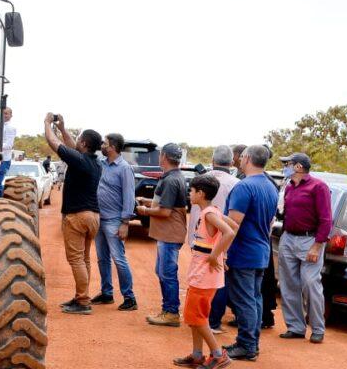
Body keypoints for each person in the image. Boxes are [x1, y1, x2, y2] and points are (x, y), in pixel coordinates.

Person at [173, 174, 235, 369]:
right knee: (195, 316)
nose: (189, 193)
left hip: (204, 275)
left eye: (191, 190)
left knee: (197, 317)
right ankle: (197, 354)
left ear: (200, 193)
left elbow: (230, 232)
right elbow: (233, 227)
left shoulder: (208, 213)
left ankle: (218, 354)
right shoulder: (212, 211)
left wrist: (215, 256)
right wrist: (221, 256)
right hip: (202, 274)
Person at [222, 144, 279, 361]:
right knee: (254, 298)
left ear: (246, 158)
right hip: (260, 250)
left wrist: (222, 251)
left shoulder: (244, 187)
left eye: (241, 157)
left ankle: (247, 345)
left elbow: (233, 224)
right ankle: (250, 343)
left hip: (244, 252)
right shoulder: (270, 186)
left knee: (245, 299)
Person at [43, 113, 102, 314]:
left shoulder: (81, 161)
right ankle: (81, 296)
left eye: (79, 140)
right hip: (93, 216)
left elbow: (54, 143)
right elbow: (72, 147)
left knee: (76, 260)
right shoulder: (94, 162)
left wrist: (47, 124)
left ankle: (83, 301)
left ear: (84, 143)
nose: (76, 142)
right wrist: (63, 128)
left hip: (77, 216)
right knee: (84, 259)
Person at [277, 152, 332, 344]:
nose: (285, 167)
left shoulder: (318, 186)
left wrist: (317, 246)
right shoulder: (289, 186)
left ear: (299, 167)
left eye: (288, 164)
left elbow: (326, 220)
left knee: (310, 283)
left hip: (310, 241)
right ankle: (296, 327)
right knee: (289, 284)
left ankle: (317, 328)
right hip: (289, 238)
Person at [136, 143, 187, 327]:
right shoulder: (174, 177)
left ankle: (171, 312)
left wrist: (144, 210)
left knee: (167, 273)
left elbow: (165, 212)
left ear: (164, 156)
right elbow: (167, 204)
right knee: (163, 271)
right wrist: (148, 201)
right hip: (168, 233)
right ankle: (168, 310)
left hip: (170, 233)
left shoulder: (171, 180)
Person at [194, 146, 243, 333]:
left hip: (203, 238)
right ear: (231, 162)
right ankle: (212, 321)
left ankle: (204, 320)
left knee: (203, 279)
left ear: (212, 159)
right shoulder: (237, 183)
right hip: (222, 239)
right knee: (218, 280)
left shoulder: (202, 180)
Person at [92, 133, 137, 310]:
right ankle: (106, 293)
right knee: (102, 259)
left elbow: (129, 196)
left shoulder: (124, 168)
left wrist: (125, 223)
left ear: (112, 147)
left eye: (104, 143)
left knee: (118, 259)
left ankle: (129, 298)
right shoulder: (101, 164)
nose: (102, 145)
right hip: (99, 219)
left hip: (114, 220)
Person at [0, 107, 17, 198]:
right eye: (3, 113)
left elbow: (9, 145)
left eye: (6, 113)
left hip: (3, 159)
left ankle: (2, 201)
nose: (4, 115)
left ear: (11, 115)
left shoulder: (10, 128)